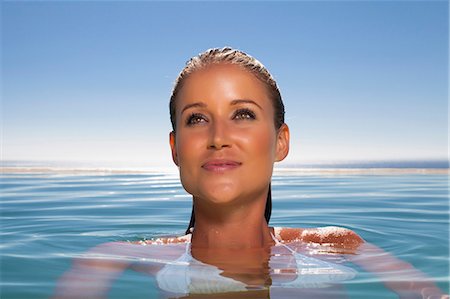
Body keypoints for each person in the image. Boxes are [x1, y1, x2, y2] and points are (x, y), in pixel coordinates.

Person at [53, 47, 448, 299]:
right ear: (176, 149)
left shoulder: (338, 246)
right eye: (196, 119)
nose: (218, 136)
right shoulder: (108, 259)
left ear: (280, 142)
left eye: (242, 114)